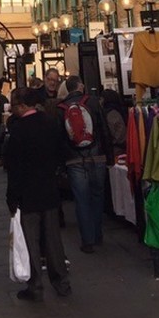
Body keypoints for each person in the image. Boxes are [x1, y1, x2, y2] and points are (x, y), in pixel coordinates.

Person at [4, 85, 72, 302]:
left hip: (27, 193)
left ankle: (35, 284)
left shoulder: (18, 130)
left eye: (14, 105)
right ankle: (61, 281)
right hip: (49, 189)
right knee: (53, 239)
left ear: (22, 106)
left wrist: (12, 197)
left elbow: (13, 167)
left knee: (31, 240)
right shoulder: (51, 123)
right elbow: (62, 152)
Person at [59, 75, 113, 252]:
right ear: (80, 86)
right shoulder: (94, 102)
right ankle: (97, 234)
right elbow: (104, 129)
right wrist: (109, 156)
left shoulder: (61, 108)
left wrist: (62, 163)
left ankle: (87, 240)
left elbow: (59, 137)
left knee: (81, 200)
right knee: (97, 196)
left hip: (74, 160)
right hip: (97, 156)